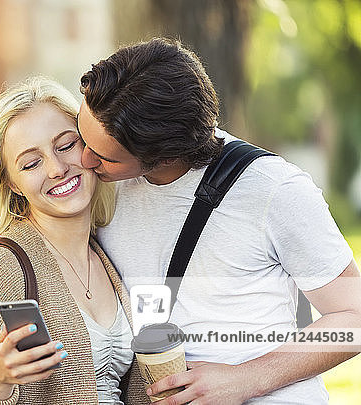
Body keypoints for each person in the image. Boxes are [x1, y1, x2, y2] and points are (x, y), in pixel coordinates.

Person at [76, 37, 361, 404]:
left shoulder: (274, 189)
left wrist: (247, 379)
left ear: (164, 157)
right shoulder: (98, 186)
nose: (83, 160)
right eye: (81, 137)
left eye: (104, 157)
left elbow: (354, 316)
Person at [0, 76, 149, 404]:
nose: (57, 168)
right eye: (31, 163)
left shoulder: (110, 250)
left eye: (66, 145)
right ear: (11, 183)